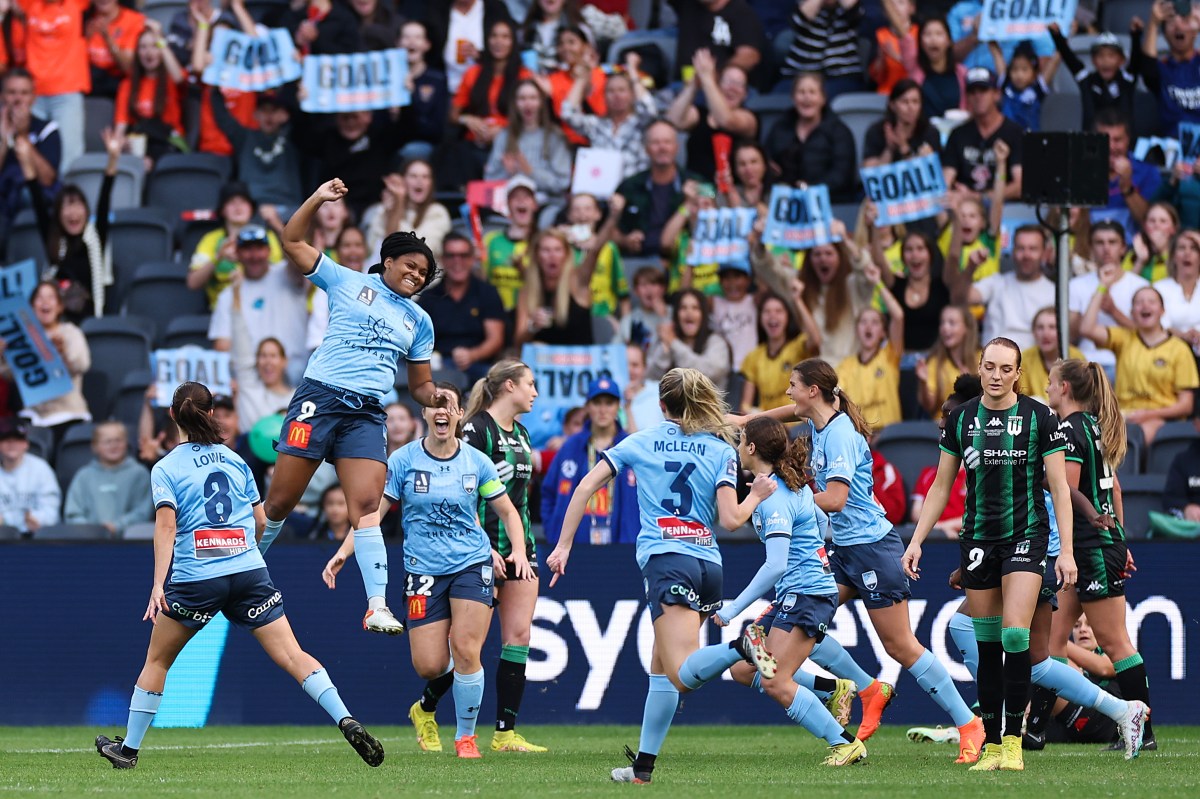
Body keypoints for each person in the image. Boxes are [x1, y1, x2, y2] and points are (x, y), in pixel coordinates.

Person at [93, 381, 385, 770]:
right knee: (293, 654)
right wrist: (249, 556)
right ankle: (345, 718)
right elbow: (262, 521)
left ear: (172, 417)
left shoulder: (166, 467)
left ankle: (127, 751)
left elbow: (165, 529)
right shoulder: (235, 460)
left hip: (197, 578)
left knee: (158, 661)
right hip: (249, 572)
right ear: (212, 414)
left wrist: (158, 585)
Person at [742, 359, 985, 762]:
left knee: (901, 646)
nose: (787, 392)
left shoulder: (838, 436)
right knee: (809, 615)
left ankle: (967, 723)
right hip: (846, 550)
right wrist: (746, 420)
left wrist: (783, 500)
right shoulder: (820, 420)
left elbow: (835, 499)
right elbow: (786, 413)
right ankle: (867, 689)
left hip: (873, 548)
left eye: (792, 385)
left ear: (813, 392)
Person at [546, 367, 776, 784]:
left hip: (667, 561)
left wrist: (563, 546)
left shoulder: (638, 442)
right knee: (660, 669)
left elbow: (583, 489)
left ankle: (741, 646)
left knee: (681, 674)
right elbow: (730, 519)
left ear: (662, 405)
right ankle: (642, 769)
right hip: (709, 564)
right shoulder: (721, 449)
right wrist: (756, 495)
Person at [263, 178, 458, 635]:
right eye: (410, 266)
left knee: (367, 505)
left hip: (367, 412)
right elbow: (291, 240)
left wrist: (439, 396)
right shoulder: (345, 280)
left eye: (423, 274)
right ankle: (241, 573)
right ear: (387, 261)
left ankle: (376, 605)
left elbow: (419, 385)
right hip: (319, 398)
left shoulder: (420, 321)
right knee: (281, 502)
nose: (416, 276)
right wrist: (316, 198)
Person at [321, 383, 533, 758]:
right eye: (435, 405)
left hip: (471, 563)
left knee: (468, 649)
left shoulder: (476, 462)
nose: (441, 412)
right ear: (424, 414)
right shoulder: (402, 461)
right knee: (430, 664)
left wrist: (517, 548)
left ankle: (465, 738)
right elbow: (373, 516)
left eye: (449, 406)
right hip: (423, 572)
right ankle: (423, 711)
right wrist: (344, 552)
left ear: (459, 415)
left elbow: (507, 511)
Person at [903, 338, 1076, 772]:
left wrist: (1067, 550)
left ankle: (1013, 744)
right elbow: (941, 486)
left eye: (1005, 368)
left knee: (1015, 636)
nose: (997, 375)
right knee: (987, 644)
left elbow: (1059, 488)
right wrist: (916, 540)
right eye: (989, 367)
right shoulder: (960, 419)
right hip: (978, 540)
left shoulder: (1040, 418)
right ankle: (994, 746)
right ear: (979, 370)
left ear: (1019, 374)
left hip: (1026, 536)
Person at [675, 415, 867, 766]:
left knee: (777, 681)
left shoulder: (775, 497)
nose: (737, 443)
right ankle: (831, 689)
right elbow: (820, 523)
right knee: (743, 670)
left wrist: (733, 610)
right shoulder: (786, 485)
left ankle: (844, 743)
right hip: (799, 593)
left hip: (806, 595)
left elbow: (776, 564)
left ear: (751, 448)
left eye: (741, 437)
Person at [1039, 358, 1154, 755]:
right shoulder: (1094, 428)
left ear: (1066, 388)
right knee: (1051, 642)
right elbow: (1115, 491)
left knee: (1116, 643)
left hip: (1088, 547)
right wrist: (1120, 540)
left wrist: (1072, 548)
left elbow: (1067, 490)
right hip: (1101, 543)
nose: (1048, 388)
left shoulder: (1069, 430)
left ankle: (1144, 729)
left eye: (1052, 383)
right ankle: (1035, 730)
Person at [456, 360, 543, 752]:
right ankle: (427, 708)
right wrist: (483, 546)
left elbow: (521, 500)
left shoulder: (523, 433)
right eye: (530, 385)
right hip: (482, 549)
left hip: (521, 549)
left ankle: (505, 733)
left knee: (519, 636)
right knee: (468, 644)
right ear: (509, 386)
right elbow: (464, 492)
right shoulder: (476, 429)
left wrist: (520, 548)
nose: (535, 392)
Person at [18, 127, 121, 321]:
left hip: (89, 320)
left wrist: (113, 158)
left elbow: (105, 198)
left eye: (78, 206)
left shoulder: (95, 237)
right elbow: (36, 196)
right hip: (57, 321)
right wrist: (25, 160)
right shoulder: (53, 237)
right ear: (58, 214)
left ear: (86, 212)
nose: (73, 213)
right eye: (67, 207)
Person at [1079, 284, 1199, 444]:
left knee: (1136, 435)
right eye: (1139, 302)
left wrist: (1148, 415)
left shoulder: (1179, 349)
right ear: (1132, 312)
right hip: (1122, 416)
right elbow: (1087, 329)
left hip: (1160, 418)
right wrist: (1102, 286)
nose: (1145, 305)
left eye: (1151, 301)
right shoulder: (1124, 338)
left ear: (1162, 311)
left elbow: (1186, 405)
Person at [541, 377, 639, 546]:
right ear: (587, 406)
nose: (602, 410)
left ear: (618, 406)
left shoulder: (631, 447)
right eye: (596, 403)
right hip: (575, 549)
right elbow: (548, 494)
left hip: (625, 548)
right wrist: (554, 533)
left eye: (609, 403)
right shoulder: (570, 446)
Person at [207, 225, 310, 381]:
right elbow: (222, 346)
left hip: (294, 368)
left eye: (259, 248)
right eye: (247, 249)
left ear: (269, 251)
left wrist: (275, 224)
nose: (254, 256)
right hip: (252, 374)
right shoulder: (228, 295)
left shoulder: (288, 275)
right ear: (238, 253)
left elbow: (299, 257)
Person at [0, 282, 91, 442]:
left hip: (67, 413)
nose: (45, 302)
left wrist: (62, 354)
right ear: (31, 306)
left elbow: (81, 365)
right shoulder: (20, 336)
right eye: (39, 298)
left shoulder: (70, 332)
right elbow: (9, 376)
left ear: (60, 306)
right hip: (33, 415)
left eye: (51, 297)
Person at [210, 90, 303, 237]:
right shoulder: (244, 137)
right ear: (255, 114)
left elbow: (305, 120)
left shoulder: (296, 137)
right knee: (239, 215)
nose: (269, 116)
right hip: (251, 209)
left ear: (284, 115)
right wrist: (215, 80)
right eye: (264, 111)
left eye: (274, 111)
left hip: (289, 208)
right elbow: (222, 117)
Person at [418, 232, 506, 384]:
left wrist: (472, 355)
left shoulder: (487, 293)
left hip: (480, 365)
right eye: (451, 256)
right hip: (438, 367)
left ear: (472, 259)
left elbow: (496, 339)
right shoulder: (429, 297)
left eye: (463, 255)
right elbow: (417, 340)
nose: (457, 261)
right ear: (442, 260)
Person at [952, 225, 1055, 352]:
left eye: (1033, 249)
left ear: (1044, 253)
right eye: (1020, 248)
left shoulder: (1054, 292)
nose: (1026, 255)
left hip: (1031, 366)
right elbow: (958, 298)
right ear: (1013, 251)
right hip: (991, 364)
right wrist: (970, 268)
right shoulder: (996, 282)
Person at [187, 181, 286, 309]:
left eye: (243, 202)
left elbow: (280, 274)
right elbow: (193, 283)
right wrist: (218, 257)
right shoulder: (211, 240)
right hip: (223, 311)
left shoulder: (265, 236)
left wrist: (277, 225)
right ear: (222, 210)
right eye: (231, 202)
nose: (238, 207)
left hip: (262, 305)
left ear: (251, 208)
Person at [613, 120, 703, 257]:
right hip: (639, 262)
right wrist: (625, 240)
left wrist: (690, 203)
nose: (662, 147)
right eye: (656, 143)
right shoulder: (629, 185)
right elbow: (609, 229)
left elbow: (714, 213)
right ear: (646, 149)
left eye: (667, 142)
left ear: (676, 147)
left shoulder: (697, 182)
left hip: (683, 259)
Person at [665, 49, 758, 181]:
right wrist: (694, 85)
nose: (732, 88)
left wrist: (708, 79)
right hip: (697, 191)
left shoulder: (749, 118)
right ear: (718, 87)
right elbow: (672, 121)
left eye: (738, 84)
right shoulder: (700, 114)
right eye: (728, 82)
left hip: (732, 193)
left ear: (745, 94)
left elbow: (726, 121)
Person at [560, 56, 658, 181]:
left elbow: (649, 110)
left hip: (633, 191)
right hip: (601, 189)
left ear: (632, 95)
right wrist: (581, 79)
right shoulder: (596, 125)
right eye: (611, 91)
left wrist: (632, 71)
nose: (617, 95)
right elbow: (568, 114)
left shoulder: (641, 123)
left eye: (622, 90)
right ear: (604, 97)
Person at [765, 72, 858, 203]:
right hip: (786, 202)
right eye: (801, 92)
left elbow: (841, 175)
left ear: (823, 98)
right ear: (793, 97)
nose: (806, 98)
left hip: (830, 202)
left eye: (812, 92)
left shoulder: (839, 131)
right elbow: (767, 159)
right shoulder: (780, 127)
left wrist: (809, 189)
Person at [909, 374, 979, 538]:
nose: (941, 424)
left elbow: (983, 517)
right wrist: (941, 531)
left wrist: (942, 528)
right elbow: (917, 514)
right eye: (941, 417)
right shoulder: (929, 475)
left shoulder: (983, 468)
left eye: (948, 417)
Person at [483, 78, 572, 205]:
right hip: (510, 205)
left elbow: (562, 182)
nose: (527, 104)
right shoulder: (504, 136)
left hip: (547, 204)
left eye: (533, 98)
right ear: (515, 103)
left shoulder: (555, 136)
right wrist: (509, 174)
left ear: (541, 102)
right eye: (522, 98)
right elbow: (489, 181)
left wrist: (530, 172)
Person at [941, 68, 1024, 200]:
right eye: (972, 92)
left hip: (1006, 208)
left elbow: (1020, 185)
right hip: (965, 210)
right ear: (967, 97)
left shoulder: (1015, 133)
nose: (978, 96)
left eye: (983, 90)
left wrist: (980, 198)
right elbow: (946, 179)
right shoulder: (958, 134)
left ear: (996, 94)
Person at [0, 67, 61, 244]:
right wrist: (4, 141)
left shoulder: (47, 129)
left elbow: (48, 179)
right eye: (12, 92)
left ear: (33, 98)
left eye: (24, 93)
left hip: (32, 197)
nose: (18, 99)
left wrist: (22, 135)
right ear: (2, 96)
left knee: (26, 194)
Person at [114, 22, 187, 166]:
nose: (149, 52)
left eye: (154, 46)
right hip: (139, 147)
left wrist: (160, 38)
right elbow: (120, 128)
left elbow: (179, 77)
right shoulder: (127, 85)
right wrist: (122, 144)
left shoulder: (170, 79)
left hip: (169, 143)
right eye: (143, 47)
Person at [514, 227, 600, 346]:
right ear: (537, 255)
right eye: (546, 250)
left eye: (557, 250)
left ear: (566, 254)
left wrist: (613, 216)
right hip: (542, 360)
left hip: (579, 359)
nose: (552, 255)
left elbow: (595, 251)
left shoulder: (578, 281)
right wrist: (532, 327)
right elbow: (518, 342)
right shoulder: (527, 291)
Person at [63, 420, 151, 535]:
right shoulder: (83, 475)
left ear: (126, 443)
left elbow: (143, 511)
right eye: (107, 442)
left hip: (130, 543)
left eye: (118, 440)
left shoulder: (140, 473)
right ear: (95, 446)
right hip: (88, 543)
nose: (113, 446)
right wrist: (92, 530)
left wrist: (117, 526)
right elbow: (73, 513)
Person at [230, 287, 294, 433]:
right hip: (247, 452)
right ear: (257, 362)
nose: (268, 362)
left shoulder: (296, 399)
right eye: (263, 356)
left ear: (284, 361)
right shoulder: (249, 387)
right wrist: (236, 294)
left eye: (273, 356)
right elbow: (240, 339)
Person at [1132, 0, 1200, 138]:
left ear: (1195, 30)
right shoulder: (1163, 68)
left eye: (1185, 20)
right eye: (1171, 22)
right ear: (1164, 34)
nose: (1178, 26)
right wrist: (1153, 23)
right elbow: (1148, 71)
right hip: (1172, 151)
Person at [1048, 26, 1135, 132]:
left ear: (1121, 60)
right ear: (1093, 60)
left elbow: (1137, 61)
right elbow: (1070, 59)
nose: (1106, 61)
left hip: (1122, 145)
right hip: (1091, 143)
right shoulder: (1087, 81)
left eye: (1111, 56)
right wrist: (1057, 37)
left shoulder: (1126, 81)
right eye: (1100, 56)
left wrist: (1136, 35)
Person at [364, 159, 453, 260]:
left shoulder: (438, 212)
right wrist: (395, 207)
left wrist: (398, 203)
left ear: (431, 183)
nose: (419, 181)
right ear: (403, 181)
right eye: (413, 176)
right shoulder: (383, 209)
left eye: (425, 177)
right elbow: (377, 249)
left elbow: (420, 250)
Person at [739, 293, 813, 413]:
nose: (772, 316)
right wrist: (751, 412)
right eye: (766, 312)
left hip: (798, 420)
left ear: (788, 316)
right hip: (769, 424)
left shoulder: (798, 346)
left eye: (779, 311)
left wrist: (797, 300)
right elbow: (745, 406)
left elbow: (815, 340)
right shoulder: (753, 356)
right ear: (760, 318)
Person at [647, 288, 732, 392]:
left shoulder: (716, 342)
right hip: (671, 407)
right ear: (676, 315)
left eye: (695, 308)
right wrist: (665, 350)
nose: (689, 312)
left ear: (704, 314)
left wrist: (674, 343)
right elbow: (650, 379)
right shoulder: (669, 340)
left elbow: (707, 373)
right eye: (683, 308)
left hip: (706, 407)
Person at [1095, 109, 1159, 231]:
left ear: (1128, 140)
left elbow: (1151, 225)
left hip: (1134, 247)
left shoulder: (1148, 173)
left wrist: (1127, 187)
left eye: (1117, 140)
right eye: (1104, 139)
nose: (1111, 146)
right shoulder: (1079, 172)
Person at [783, 0, 863, 95]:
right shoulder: (806, 6)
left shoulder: (850, 8)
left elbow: (857, 16)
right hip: (801, 73)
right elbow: (798, 21)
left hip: (843, 75)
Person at [397, 19, 450, 163]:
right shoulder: (388, 78)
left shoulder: (437, 80)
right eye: (406, 37)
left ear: (427, 45)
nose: (411, 42)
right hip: (391, 143)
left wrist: (412, 97)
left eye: (417, 37)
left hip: (422, 144)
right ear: (398, 43)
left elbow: (436, 130)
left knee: (411, 151)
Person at [897, 14, 967, 119]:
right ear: (920, 42)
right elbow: (903, 33)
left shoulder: (962, 72)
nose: (933, 39)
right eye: (927, 34)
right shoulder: (914, 67)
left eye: (939, 34)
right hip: (924, 133)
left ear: (949, 41)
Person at [861, 79, 942, 168]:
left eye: (915, 102)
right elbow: (870, 174)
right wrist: (889, 149)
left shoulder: (930, 133)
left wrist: (904, 148)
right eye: (905, 102)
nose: (911, 107)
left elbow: (934, 175)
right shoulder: (877, 131)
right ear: (892, 105)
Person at [918, 304, 980, 418]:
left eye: (952, 323)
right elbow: (929, 406)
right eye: (942, 322)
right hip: (945, 426)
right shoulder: (935, 362)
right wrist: (923, 383)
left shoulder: (982, 358)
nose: (945, 328)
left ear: (966, 328)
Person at [673, 0, 764, 78]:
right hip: (682, 86)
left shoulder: (741, 12)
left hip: (722, 90)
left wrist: (717, 76)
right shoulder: (687, 4)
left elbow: (749, 55)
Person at [0, 417, 59, 534]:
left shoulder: (41, 469)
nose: (12, 444)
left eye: (17, 439)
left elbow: (51, 513)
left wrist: (38, 519)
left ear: (26, 444)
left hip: (36, 539)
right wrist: (21, 520)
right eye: (6, 439)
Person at [1018, 307, 1083, 405]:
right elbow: (1020, 398)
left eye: (1052, 327)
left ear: (1063, 331)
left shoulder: (1076, 358)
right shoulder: (1025, 358)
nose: (1045, 334)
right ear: (1034, 333)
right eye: (1040, 327)